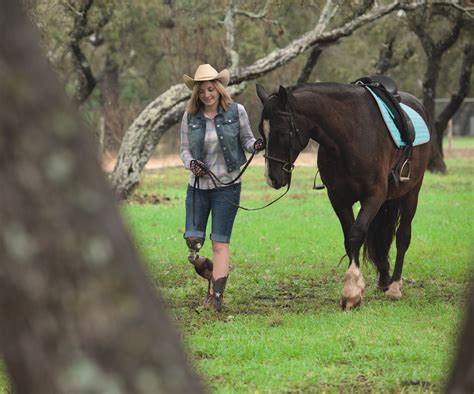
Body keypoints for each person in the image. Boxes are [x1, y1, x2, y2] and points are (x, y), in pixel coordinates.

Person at [180, 64, 265, 312]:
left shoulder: (236, 111)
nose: (207, 94)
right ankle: (211, 272)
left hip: (228, 186)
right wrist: (191, 163)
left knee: (219, 243)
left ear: (218, 89)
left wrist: (256, 145)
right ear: (196, 93)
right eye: (202, 91)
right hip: (197, 187)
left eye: (210, 89)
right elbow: (184, 149)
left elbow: (247, 140)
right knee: (193, 241)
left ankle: (216, 298)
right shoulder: (189, 117)